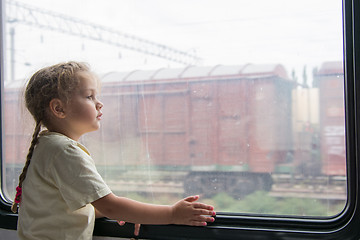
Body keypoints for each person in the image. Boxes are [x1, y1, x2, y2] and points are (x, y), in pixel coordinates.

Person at [11, 61, 216, 240]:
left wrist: (132, 213)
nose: (99, 103)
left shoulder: (47, 145)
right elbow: (110, 206)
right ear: (59, 109)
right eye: (89, 96)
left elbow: (71, 209)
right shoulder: (64, 151)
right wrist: (172, 213)